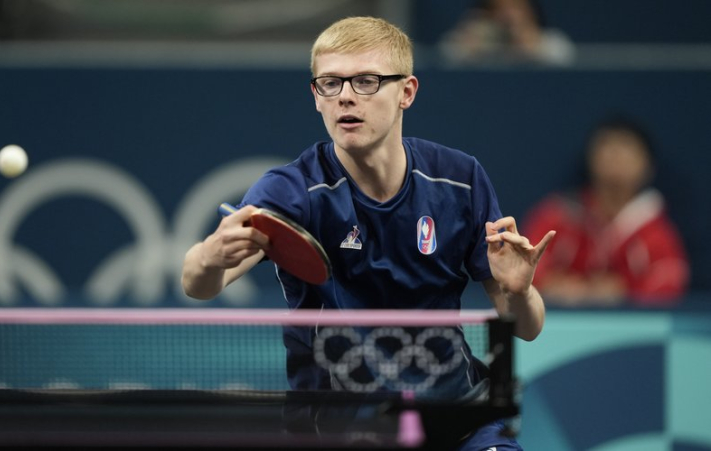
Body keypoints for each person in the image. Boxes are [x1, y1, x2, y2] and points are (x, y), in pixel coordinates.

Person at [182, 16, 554, 450]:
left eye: (366, 82)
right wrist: (211, 256)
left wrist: (520, 293)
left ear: (407, 92)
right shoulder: (295, 191)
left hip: (458, 421)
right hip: (339, 430)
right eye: (330, 84)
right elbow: (198, 285)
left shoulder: (459, 180)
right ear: (316, 97)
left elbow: (527, 328)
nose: (345, 98)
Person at [522, 115, 690, 307]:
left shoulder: (658, 232)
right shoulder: (556, 215)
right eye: (607, 146)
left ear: (648, 166)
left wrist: (623, 293)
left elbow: (670, 285)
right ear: (590, 158)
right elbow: (524, 268)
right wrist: (554, 286)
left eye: (627, 148)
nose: (616, 155)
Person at [438, 0, 575, 67]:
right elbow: (442, 56)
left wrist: (533, 46)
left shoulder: (549, 40)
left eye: (515, 8)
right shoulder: (477, 37)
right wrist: (468, 45)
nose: (508, 15)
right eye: (500, 8)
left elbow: (566, 59)